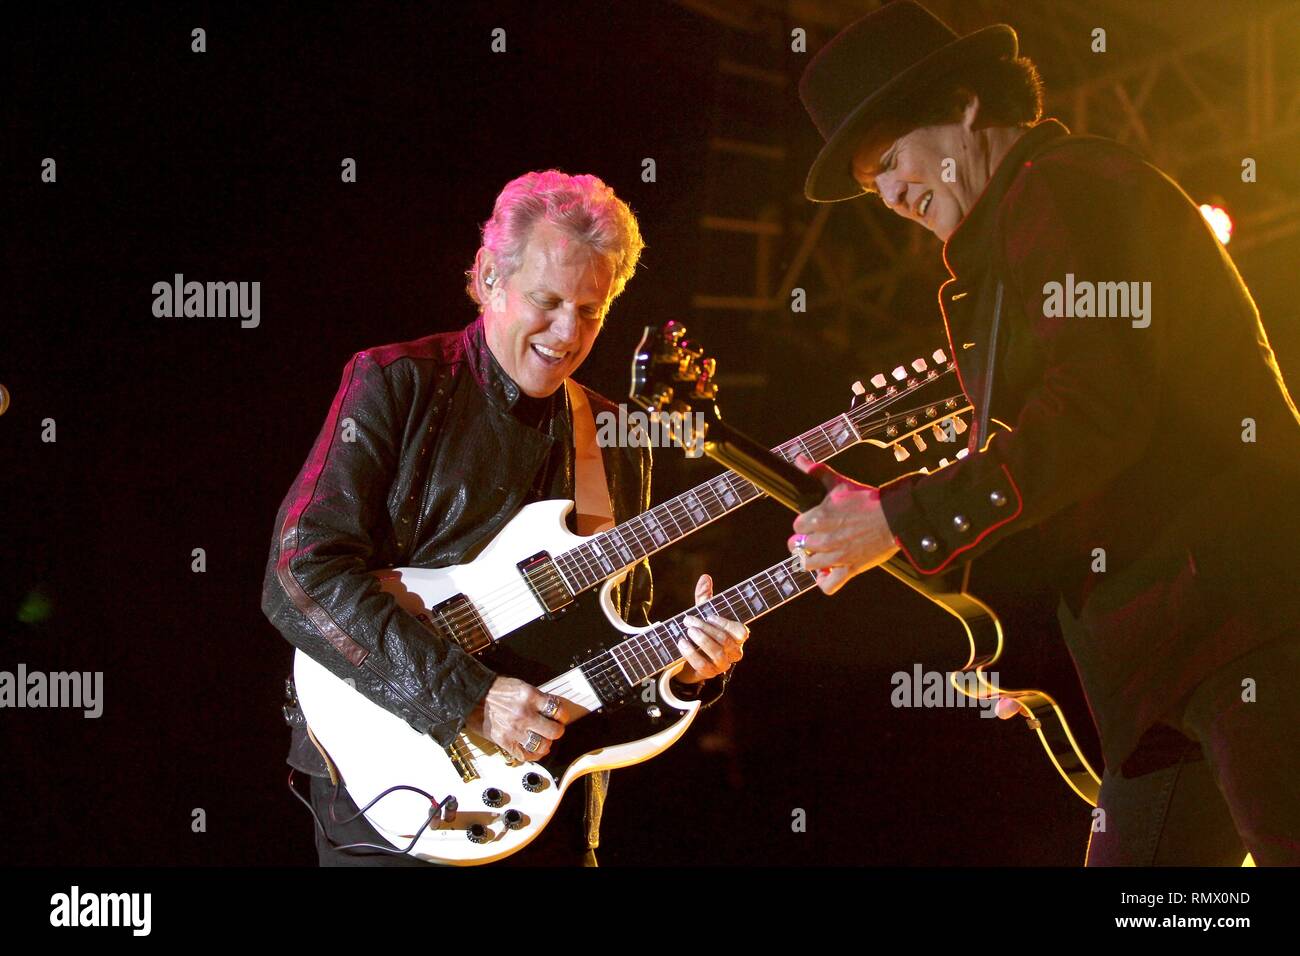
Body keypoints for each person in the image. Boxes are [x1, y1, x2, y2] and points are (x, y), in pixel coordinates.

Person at [790, 1, 1300, 865]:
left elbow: (1098, 408)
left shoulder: (1061, 185)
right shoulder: (1005, 243)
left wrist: (900, 518)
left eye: (891, 159)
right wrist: (1039, 652)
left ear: (964, 107)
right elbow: (1088, 476)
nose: (887, 194)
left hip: (1248, 616)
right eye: (871, 179)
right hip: (1162, 662)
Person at [261, 170, 748, 866]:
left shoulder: (614, 433)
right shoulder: (396, 382)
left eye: (591, 309)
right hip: (386, 792)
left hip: (546, 804)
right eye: (547, 301)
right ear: (489, 277)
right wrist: (471, 697)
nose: (567, 332)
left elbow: (615, 645)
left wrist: (688, 668)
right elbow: (299, 576)